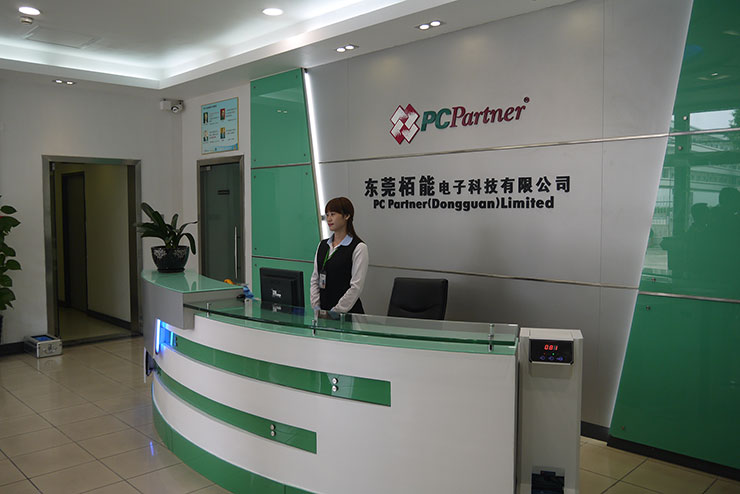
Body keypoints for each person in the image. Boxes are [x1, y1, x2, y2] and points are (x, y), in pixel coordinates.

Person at [310, 197, 368, 313]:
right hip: (323, 313)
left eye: (333, 214)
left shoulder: (359, 247)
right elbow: (315, 279)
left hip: (347, 314)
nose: (329, 219)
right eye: (327, 215)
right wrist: (316, 307)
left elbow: (356, 287)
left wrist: (335, 312)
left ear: (346, 216)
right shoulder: (322, 245)